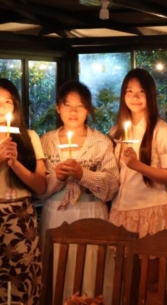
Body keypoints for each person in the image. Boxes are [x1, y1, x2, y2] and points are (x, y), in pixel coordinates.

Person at [40, 80, 119, 299]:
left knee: (93, 269)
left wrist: (83, 174)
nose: (73, 112)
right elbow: (38, 189)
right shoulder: (46, 141)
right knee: (58, 268)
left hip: (92, 212)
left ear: (88, 109)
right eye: (67, 105)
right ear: (58, 108)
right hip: (56, 213)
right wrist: (57, 177)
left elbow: (111, 186)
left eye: (80, 106)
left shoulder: (101, 142)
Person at [109, 68, 167, 302]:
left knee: (153, 280)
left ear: (151, 95)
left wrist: (138, 165)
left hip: (153, 209)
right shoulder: (117, 131)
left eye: (141, 92)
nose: (135, 97)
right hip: (123, 209)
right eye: (129, 91)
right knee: (128, 280)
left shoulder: (164, 132)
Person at [0, 78, 47, 305]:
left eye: (7, 101)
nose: (2, 107)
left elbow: (40, 186)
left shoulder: (30, 136)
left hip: (21, 217)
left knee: (22, 280)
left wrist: (15, 164)